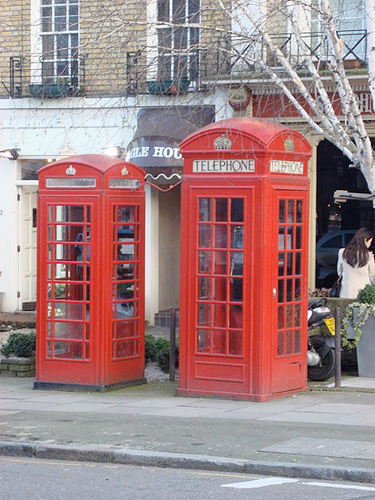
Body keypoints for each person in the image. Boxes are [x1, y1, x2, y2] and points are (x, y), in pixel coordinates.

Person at [337, 228, 375, 298]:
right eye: (370, 242)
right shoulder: (369, 255)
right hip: (363, 293)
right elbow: (372, 274)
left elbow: (339, 272)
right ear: (365, 240)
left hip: (346, 291)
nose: (369, 245)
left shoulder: (342, 252)